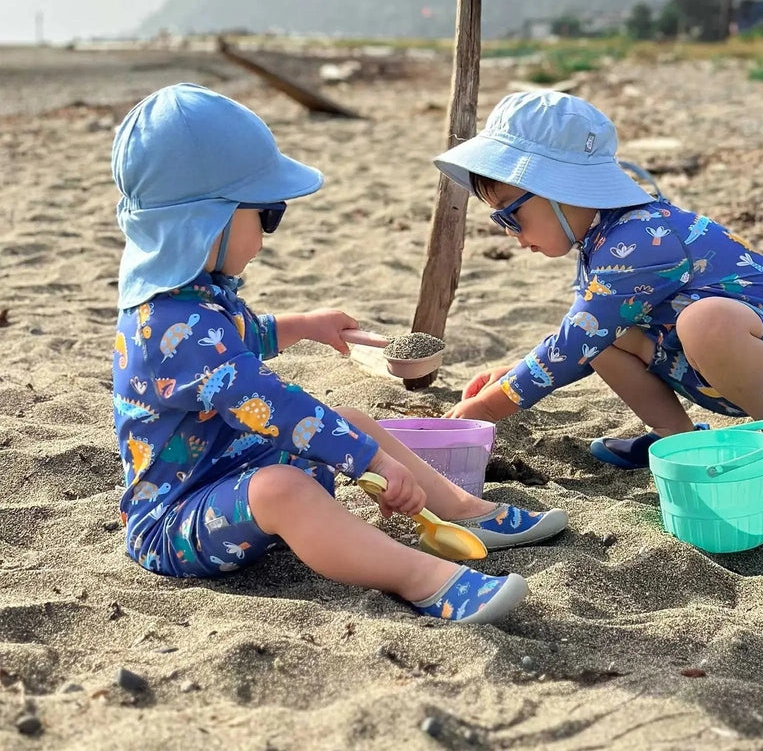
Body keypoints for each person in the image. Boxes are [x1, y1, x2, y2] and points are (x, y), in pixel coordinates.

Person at [110, 83, 567, 625]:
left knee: (345, 420)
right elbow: (268, 402)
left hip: (230, 479)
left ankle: (465, 512)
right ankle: (423, 580)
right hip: (176, 523)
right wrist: (370, 461)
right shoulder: (168, 325)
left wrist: (303, 326)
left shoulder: (192, 303)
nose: (267, 235)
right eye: (267, 214)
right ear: (206, 221)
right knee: (287, 488)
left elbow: (241, 337)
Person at [432, 91, 763, 470]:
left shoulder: (639, 239)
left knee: (703, 320)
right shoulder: (600, 242)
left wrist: (487, 407)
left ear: (560, 189)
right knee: (603, 336)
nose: (507, 231)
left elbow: (574, 342)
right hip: (699, 362)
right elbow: (581, 340)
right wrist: (516, 372)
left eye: (509, 214)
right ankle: (677, 440)